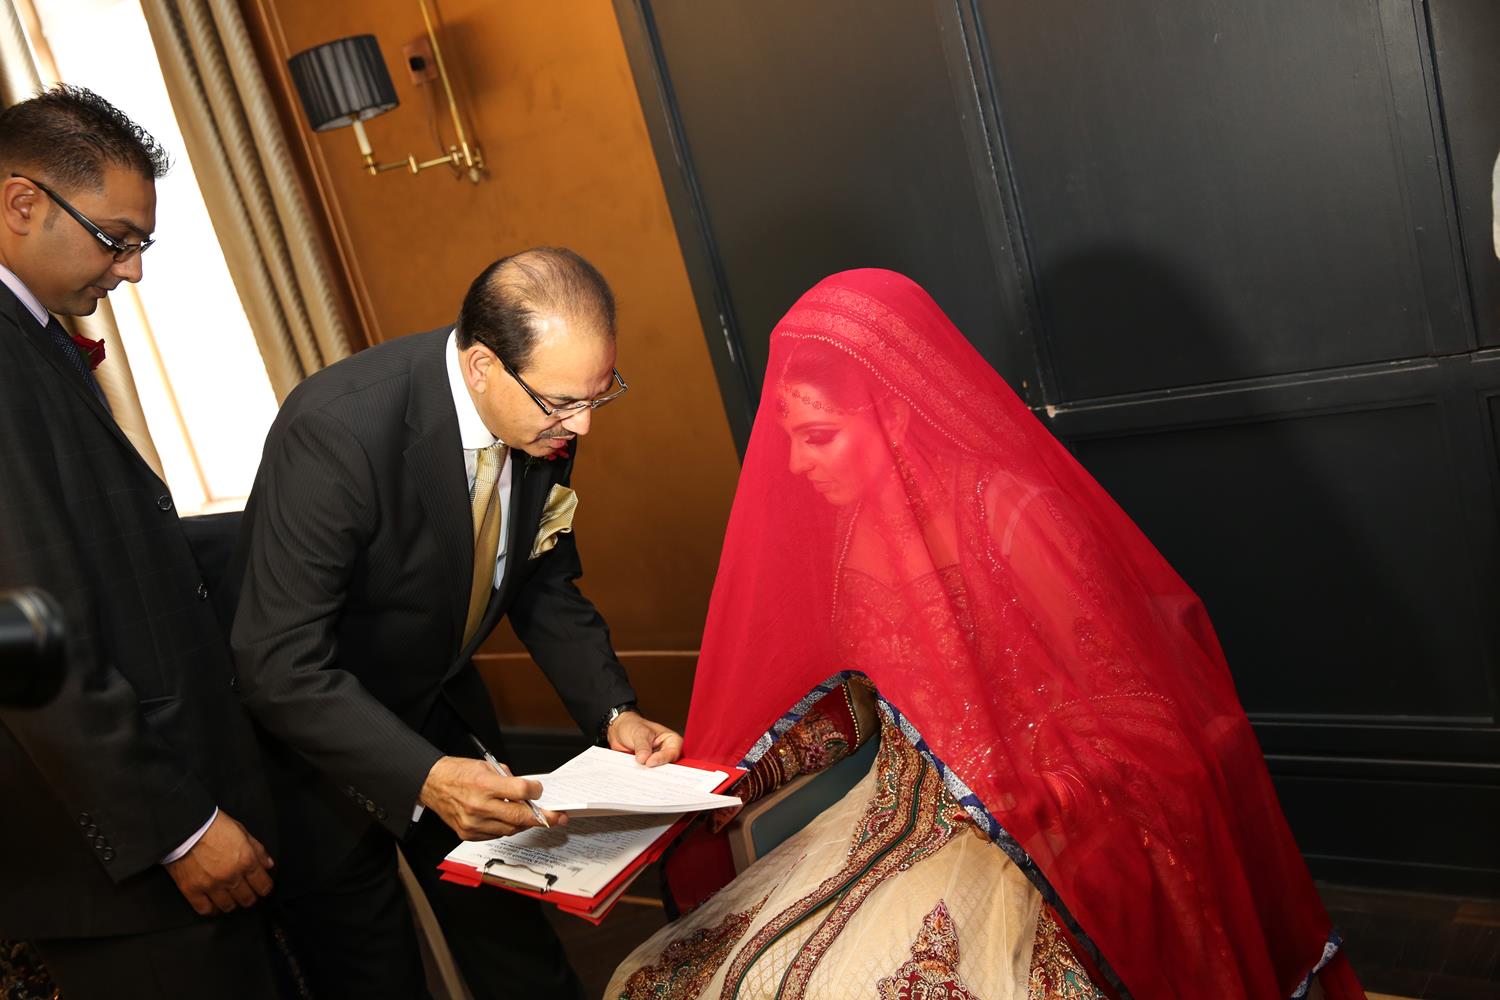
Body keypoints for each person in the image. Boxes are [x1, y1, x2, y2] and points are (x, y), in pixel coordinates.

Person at [609, 270, 1366, 999]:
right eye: (791, 439)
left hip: (1040, 820)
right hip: (898, 807)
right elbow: (861, 705)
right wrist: (740, 778)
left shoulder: (1015, 519)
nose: (798, 465)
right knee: (665, 977)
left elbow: (1139, 708)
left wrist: (1050, 792)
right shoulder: (845, 538)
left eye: (820, 436)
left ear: (896, 414)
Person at [230, 247, 683, 999]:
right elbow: (276, 661)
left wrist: (614, 712)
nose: (582, 428)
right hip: (319, 748)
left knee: (518, 953)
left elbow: (541, 581)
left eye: (599, 398)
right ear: (481, 367)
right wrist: (424, 776)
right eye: (563, 403)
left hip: (439, 713)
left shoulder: (545, 419)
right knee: (375, 973)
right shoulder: (337, 429)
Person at [0, 86, 278, 999]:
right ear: (21, 202)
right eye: (117, 240)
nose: (131, 273)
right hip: (120, 859)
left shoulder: (32, 334)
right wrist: (179, 827)